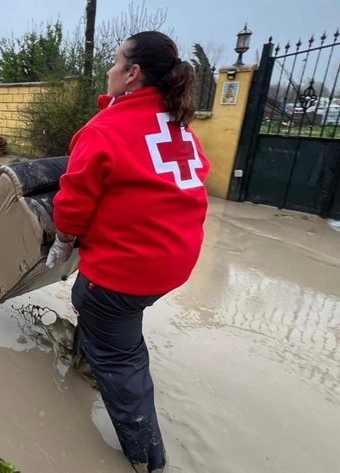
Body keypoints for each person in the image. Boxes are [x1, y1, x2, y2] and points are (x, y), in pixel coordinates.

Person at [45, 31, 210, 472]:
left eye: (115, 62)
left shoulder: (106, 128)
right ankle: (84, 358)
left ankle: (148, 459)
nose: (109, 69)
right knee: (100, 311)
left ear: (133, 74)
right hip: (175, 261)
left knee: (117, 347)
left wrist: (63, 240)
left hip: (128, 269)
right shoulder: (178, 126)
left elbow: (74, 201)